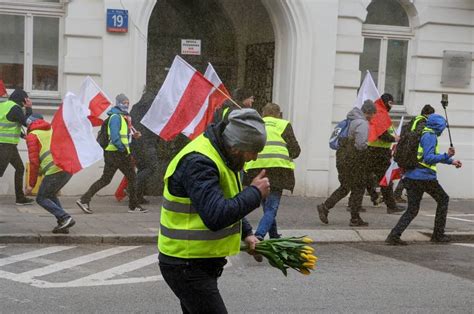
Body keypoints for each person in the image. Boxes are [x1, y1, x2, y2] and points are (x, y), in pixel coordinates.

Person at [158, 109, 270, 313]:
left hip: (196, 263)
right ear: (237, 147)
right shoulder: (199, 162)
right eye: (252, 151)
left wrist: (247, 233)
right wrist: (255, 193)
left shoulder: (225, 156)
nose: (254, 158)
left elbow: (228, 198)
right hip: (185, 264)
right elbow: (216, 215)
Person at [386, 114, 462, 245]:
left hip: (411, 176)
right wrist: (447, 155)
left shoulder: (422, 132)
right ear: (438, 126)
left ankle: (394, 236)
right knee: (443, 199)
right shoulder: (430, 136)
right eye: (443, 127)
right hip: (424, 177)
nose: (443, 130)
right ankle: (438, 235)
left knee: (412, 209)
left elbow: (425, 156)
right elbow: (428, 158)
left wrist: (451, 161)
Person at [76, 94, 147, 214]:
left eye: (127, 103)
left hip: (114, 153)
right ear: (118, 103)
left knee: (106, 179)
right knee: (132, 178)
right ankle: (133, 207)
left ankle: (84, 200)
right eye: (124, 102)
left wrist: (133, 136)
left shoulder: (122, 117)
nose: (126, 105)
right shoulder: (115, 117)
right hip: (118, 154)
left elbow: (123, 136)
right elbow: (115, 137)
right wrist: (123, 150)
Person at [244, 103, 301, 240]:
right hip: (277, 169)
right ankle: (259, 235)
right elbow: (295, 150)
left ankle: (274, 235)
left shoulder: (256, 124)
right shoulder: (283, 124)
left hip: (255, 169)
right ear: (278, 114)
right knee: (272, 208)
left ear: (262, 113)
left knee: (267, 206)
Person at [317, 100, 376, 226]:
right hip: (353, 160)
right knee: (358, 187)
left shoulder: (349, 120)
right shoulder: (362, 123)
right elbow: (360, 145)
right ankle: (355, 219)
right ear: (368, 112)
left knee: (345, 186)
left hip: (342, 158)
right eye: (373, 114)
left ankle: (325, 207)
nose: (373, 117)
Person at [24, 114, 75, 233]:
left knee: (41, 198)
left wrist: (31, 184)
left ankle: (65, 217)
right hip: (68, 167)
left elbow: (34, 162)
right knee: (50, 195)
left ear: (30, 124)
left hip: (55, 170)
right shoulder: (52, 129)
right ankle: (63, 222)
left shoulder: (33, 136)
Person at [366, 93, 404, 214]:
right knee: (386, 179)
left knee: (365, 177)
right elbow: (382, 135)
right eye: (390, 103)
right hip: (379, 152)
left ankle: (355, 204)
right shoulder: (381, 113)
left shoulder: (377, 111)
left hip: (373, 150)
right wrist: (395, 139)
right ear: (386, 102)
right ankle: (391, 206)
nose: (391, 106)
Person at [393, 104, 436, 203]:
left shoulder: (414, 120)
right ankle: (400, 194)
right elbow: (419, 136)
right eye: (432, 115)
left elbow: (405, 131)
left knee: (408, 172)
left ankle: (400, 193)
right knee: (409, 173)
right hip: (413, 152)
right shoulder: (423, 122)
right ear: (428, 114)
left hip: (406, 150)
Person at [0, 89, 34, 205]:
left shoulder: (4, 105)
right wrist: (29, 108)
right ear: (23, 99)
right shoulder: (15, 108)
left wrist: (21, 135)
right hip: (5, 145)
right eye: (26, 99)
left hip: (7, 145)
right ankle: (20, 198)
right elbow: (27, 122)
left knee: (19, 168)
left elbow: (7, 123)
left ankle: (20, 198)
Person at [130, 89, 159, 204]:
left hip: (136, 143)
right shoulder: (151, 109)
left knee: (142, 168)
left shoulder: (135, 107)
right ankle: (132, 189)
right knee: (151, 167)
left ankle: (138, 195)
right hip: (146, 142)